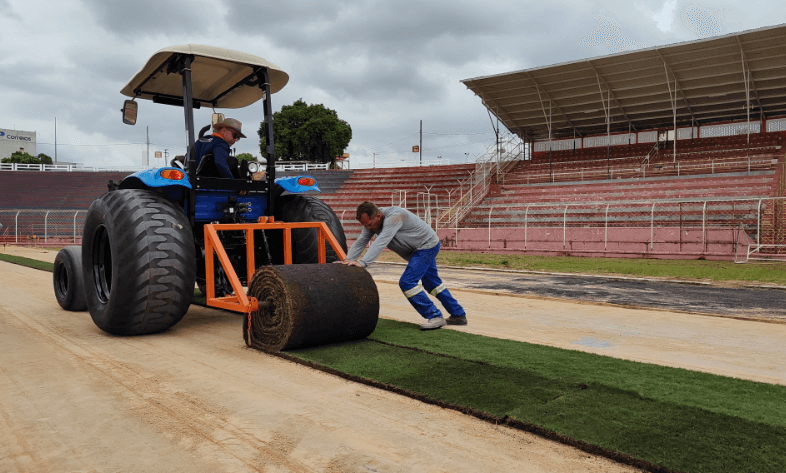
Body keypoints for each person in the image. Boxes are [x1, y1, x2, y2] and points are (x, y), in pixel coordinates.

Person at [339, 201, 467, 330]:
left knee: (407, 282)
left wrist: (363, 263)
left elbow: (381, 241)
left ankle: (435, 316)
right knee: (432, 284)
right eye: (364, 226)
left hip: (426, 247)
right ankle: (458, 315)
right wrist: (348, 260)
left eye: (369, 225)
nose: (367, 228)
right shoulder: (372, 223)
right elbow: (361, 240)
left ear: (378, 216)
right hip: (418, 250)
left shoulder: (394, 217)